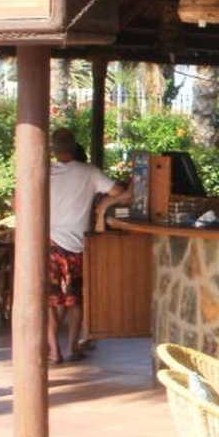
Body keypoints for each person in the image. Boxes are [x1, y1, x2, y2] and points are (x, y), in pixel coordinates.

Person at [47, 128, 129, 363]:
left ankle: (54, 350)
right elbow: (122, 193)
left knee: (50, 300)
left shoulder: (44, 171)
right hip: (77, 245)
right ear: (74, 146)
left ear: (53, 148)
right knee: (75, 299)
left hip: (49, 243)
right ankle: (72, 347)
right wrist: (103, 207)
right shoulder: (89, 172)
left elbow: (17, 200)